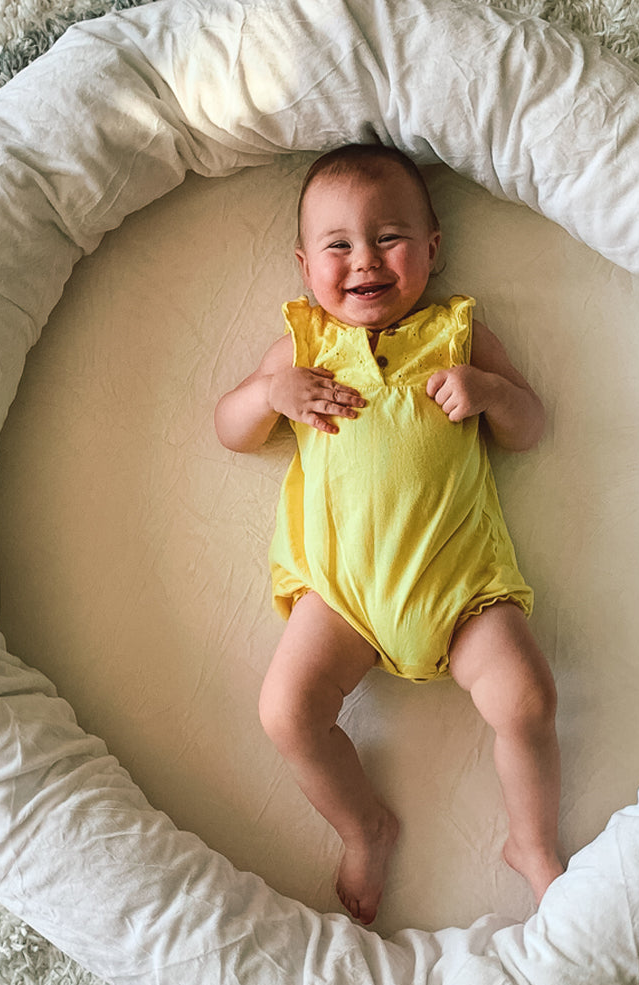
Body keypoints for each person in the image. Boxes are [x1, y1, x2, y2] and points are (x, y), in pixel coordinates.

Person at [214, 144, 563, 925]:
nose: (364, 260)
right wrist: (274, 392)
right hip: (342, 598)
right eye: (338, 245)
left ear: (433, 250)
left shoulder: (458, 334)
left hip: (463, 587)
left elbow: (531, 427)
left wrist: (491, 392)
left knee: (528, 697)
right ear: (306, 267)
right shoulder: (303, 347)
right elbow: (229, 429)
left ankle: (532, 842)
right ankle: (364, 824)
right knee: (286, 712)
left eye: (389, 238)